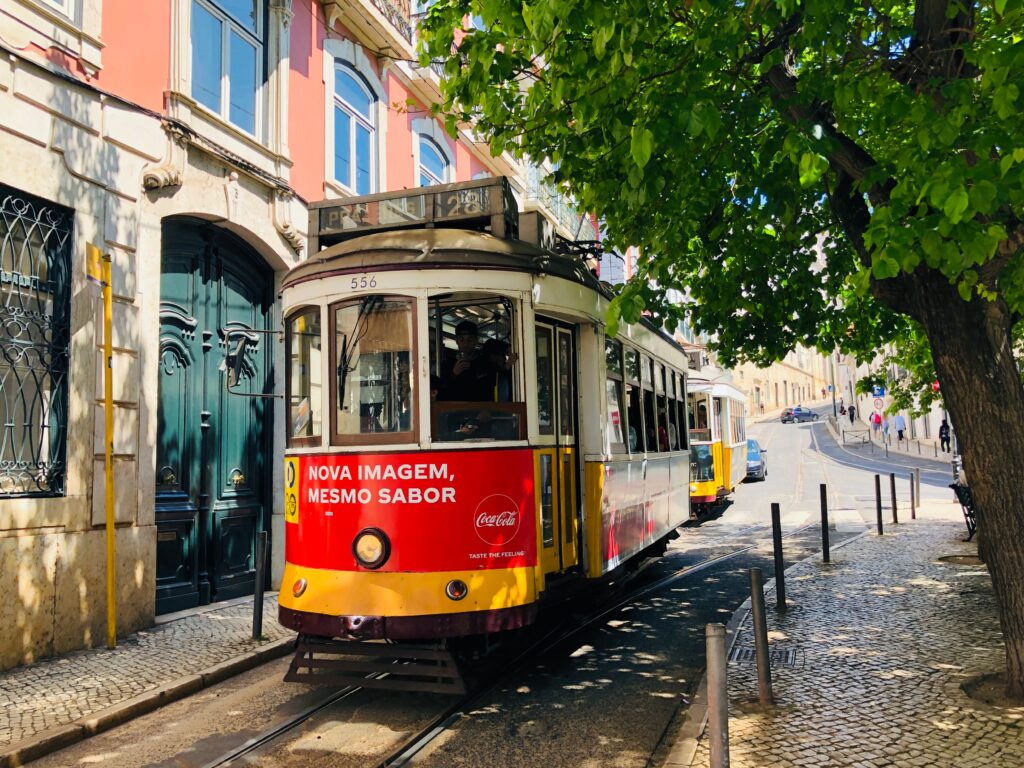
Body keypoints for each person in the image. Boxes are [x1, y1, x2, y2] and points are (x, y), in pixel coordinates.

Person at [440, 320, 493, 401]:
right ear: (457, 341)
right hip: (455, 411)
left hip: (479, 411)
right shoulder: (447, 364)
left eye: (470, 340)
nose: (465, 344)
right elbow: (442, 393)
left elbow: (491, 391)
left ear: (476, 341)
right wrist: (454, 374)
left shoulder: (485, 364)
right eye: (462, 340)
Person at [482, 338, 517, 402]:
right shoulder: (491, 375)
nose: (504, 359)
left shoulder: (485, 372)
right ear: (493, 356)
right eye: (503, 355)